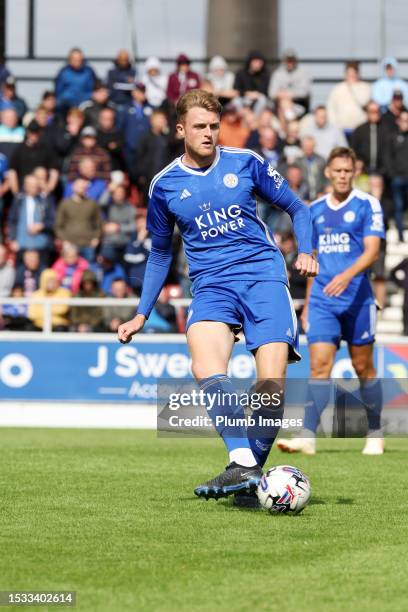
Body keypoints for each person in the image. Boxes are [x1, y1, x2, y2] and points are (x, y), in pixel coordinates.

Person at [117, 89, 317, 504]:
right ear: (180, 130)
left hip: (262, 276)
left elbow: (299, 208)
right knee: (204, 363)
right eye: (199, 127)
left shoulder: (246, 163)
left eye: (213, 126)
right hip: (210, 286)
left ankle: (249, 475)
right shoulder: (164, 185)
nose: (209, 134)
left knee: (270, 388)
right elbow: (159, 251)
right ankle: (242, 460)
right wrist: (141, 313)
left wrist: (307, 251)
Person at [277, 147, 385, 457]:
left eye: (347, 171)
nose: (342, 176)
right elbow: (313, 260)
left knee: (363, 366)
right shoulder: (316, 209)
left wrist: (347, 275)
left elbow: (372, 250)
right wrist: (310, 302)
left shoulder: (367, 205)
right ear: (328, 172)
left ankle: (375, 431)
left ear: (354, 172)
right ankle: (307, 435)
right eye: (337, 170)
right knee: (320, 366)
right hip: (324, 300)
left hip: (357, 300)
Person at [8, 174, 55, 262]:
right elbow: (12, 220)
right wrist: (13, 239)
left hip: (41, 244)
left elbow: (52, 220)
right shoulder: (18, 200)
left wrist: (42, 225)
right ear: (25, 186)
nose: (35, 188)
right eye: (32, 186)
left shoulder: (45, 201)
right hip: (22, 244)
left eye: (36, 185)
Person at [55, 178, 102, 262]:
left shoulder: (92, 203)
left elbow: (98, 223)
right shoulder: (65, 204)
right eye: (79, 186)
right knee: (70, 272)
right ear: (73, 187)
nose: (82, 188)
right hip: (70, 244)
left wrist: (96, 238)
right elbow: (58, 225)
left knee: (88, 272)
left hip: (88, 244)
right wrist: (64, 240)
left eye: (84, 187)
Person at [8, 120, 59, 194]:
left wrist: (49, 189)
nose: (34, 135)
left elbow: (54, 171)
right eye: (32, 132)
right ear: (27, 133)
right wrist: (16, 193)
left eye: (36, 133)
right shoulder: (19, 150)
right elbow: (12, 171)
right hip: (24, 188)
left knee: (40, 171)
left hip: (42, 189)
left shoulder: (46, 150)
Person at [327, 61, 370, 133]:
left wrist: (353, 88)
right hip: (342, 128)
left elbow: (365, 103)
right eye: (349, 73)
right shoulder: (338, 89)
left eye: (354, 73)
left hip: (360, 128)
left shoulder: (365, 87)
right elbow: (331, 109)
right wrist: (335, 126)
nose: (351, 75)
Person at [384, 111, 408, 241]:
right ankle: (400, 236)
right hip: (397, 178)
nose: (405, 123)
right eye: (403, 120)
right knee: (398, 206)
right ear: (398, 121)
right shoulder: (393, 137)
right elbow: (388, 157)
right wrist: (392, 174)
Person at [268, 49, 311, 115]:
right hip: (280, 106)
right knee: (283, 104)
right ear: (284, 61)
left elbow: (304, 92)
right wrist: (283, 96)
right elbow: (272, 93)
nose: (290, 63)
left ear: (295, 61)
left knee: (284, 104)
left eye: (292, 60)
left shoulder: (303, 74)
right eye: (288, 61)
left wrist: (288, 94)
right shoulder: (278, 74)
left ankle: (289, 120)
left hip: (299, 105)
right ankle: (289, 119)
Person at [351, 101, 387, 174]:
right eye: (372, 111)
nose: (375, 114)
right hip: (363, 170)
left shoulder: (386, 130)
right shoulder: (359, 130)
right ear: (367, 112)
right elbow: (353, 150)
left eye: (377, 111)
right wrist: (358, 161)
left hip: (382, 171)